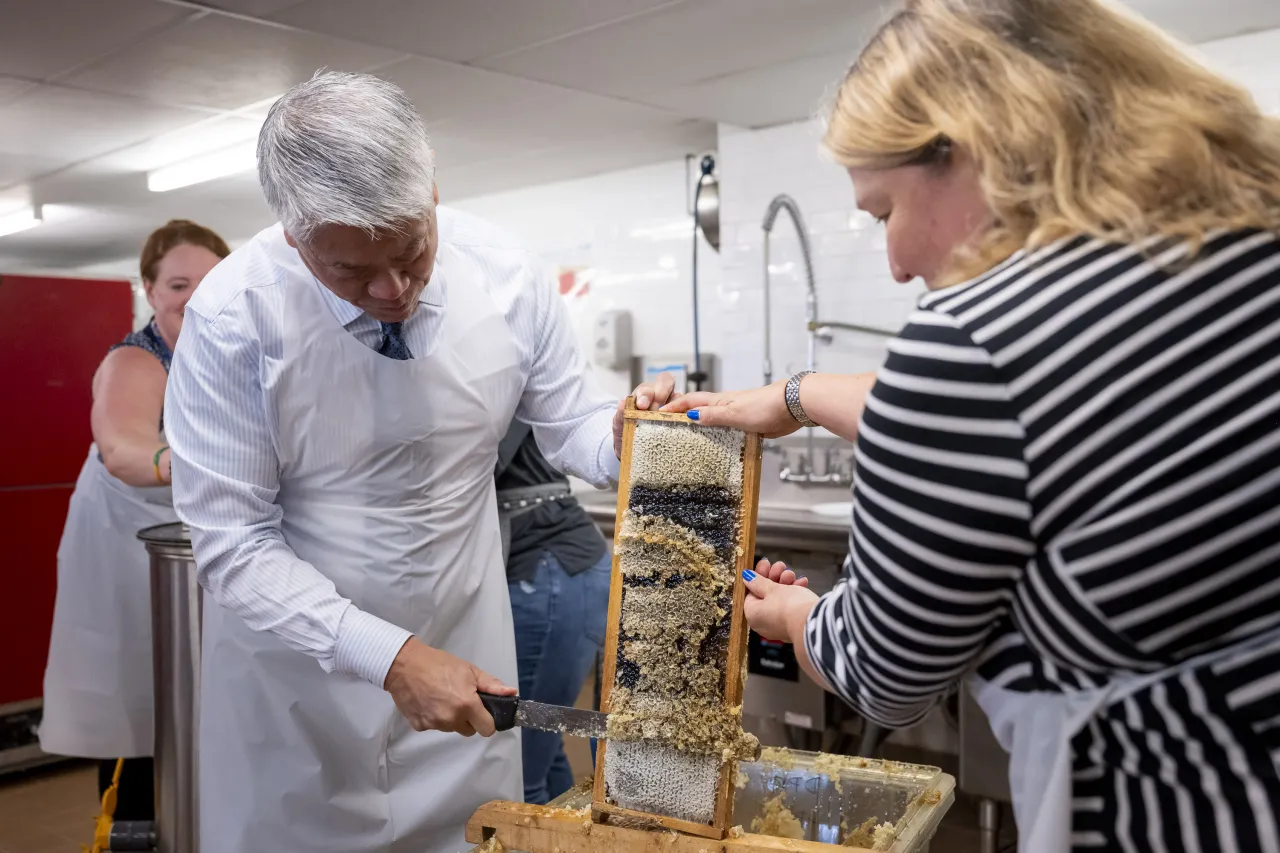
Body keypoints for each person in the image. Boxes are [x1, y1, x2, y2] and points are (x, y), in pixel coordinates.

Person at [664, 1, 1280, 850]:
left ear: (971, 147)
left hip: (1186, 806)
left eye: (885, 212)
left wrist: (798, 615)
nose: (897, 262)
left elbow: (883, 677)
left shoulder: (971, 339)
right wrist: (797, 394)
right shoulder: (1232, 248)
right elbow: (1060, 414)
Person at [163, 71, 674, 853]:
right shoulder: (234, 316)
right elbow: (233, 546)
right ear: (294, 236)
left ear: (432, 189)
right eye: (351, 272)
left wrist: (641, 434)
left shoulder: (504, 273)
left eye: (411, 252)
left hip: (467, 649)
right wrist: (390, 655)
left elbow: (572, 424)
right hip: (299, 685)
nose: (394, 288)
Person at [40, 220, 230, 821]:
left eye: (209, 281)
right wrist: (197, 463)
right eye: (178, 284)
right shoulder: (135, 360)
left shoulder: (234, 354)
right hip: (129, 557)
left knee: (210, 713)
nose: (194, 297)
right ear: (150, 290)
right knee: (144, 716)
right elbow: (124, 450)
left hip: (206, 554)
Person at [496, 421, 611, 805]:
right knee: (541, 754)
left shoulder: (489, 375)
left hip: (551, 574)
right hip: (558, 573)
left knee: (517, 774)